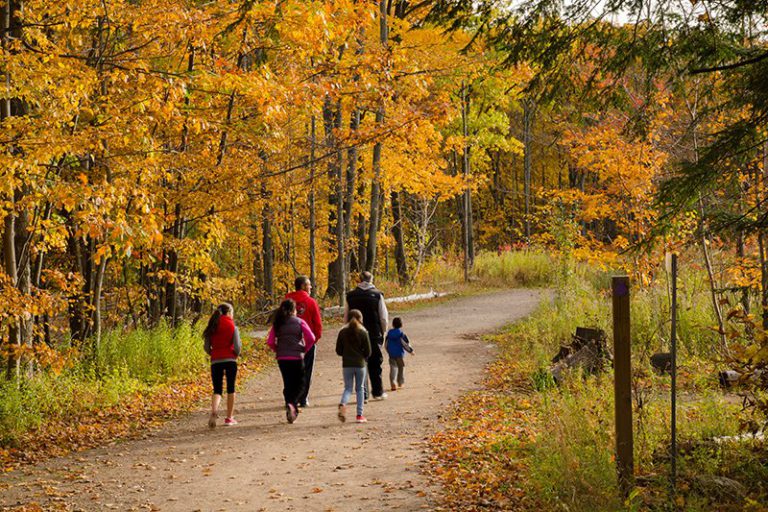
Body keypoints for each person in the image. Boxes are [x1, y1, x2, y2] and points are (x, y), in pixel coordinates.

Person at [266, 299, 316, 424]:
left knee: (288, 383)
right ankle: (292, 404)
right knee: (300, 383)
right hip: (297, 357)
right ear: (294, 310)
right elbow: (311, 338)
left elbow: (270, 341)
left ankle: (289, 404)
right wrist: (305, 349)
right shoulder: (300, 322)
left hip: (282, 358)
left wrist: (277, 349)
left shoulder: (277, 324)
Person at [344, 271, 388, 400]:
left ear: (359, 279)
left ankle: (362, 394)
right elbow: (383, 317)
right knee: (375, 363)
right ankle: (378, 392)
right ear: (371, 279)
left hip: (354, 334)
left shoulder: (350, 296)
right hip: (374, 333)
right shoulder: (377, 295)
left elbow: (346, 316)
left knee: (360, 363)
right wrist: (383, 332)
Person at [285, 276, 323, 408]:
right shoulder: (311, 302)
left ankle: (291, 398)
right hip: (307, 342)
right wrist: (315, 339)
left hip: (289, 342)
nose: (311, 287)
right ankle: (303, 398)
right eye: (309, 285)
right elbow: (317, 323)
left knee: (290, 370)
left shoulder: (287, 300)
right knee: (306, 370)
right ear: (302, 286)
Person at [203, 303, 242, 428]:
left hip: (216, 361)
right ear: (229, 312)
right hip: (230, 360)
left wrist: (213, 353)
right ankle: (229, 418)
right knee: (231, 388)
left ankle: (214, 411)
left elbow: (206, 347)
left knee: (217, 389)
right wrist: (235, 354)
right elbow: (237, 346)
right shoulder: (232, 326)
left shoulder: (212, 325)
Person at [335, 309, 372, 423]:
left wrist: (346, 354)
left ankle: (343, 403)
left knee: (348, 388)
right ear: (360, 319)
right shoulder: (363, 332)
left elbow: (338, 350)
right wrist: (362, 356)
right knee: (360, 389)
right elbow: (368, 352)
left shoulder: (342, 332)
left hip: (347, 364)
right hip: (360, 364)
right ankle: (359, 415)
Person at [385, 317, 414, 392]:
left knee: (393, 368)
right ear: (401, 325)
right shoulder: (401, 334)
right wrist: (411, 351)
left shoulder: (389, 333)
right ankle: (400, 382)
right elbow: (405, 344)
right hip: (400, 354)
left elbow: (386, 344)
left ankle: (393, 383)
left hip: (391, 354)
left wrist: (388, 350)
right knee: (401, 368)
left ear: (393, 324)